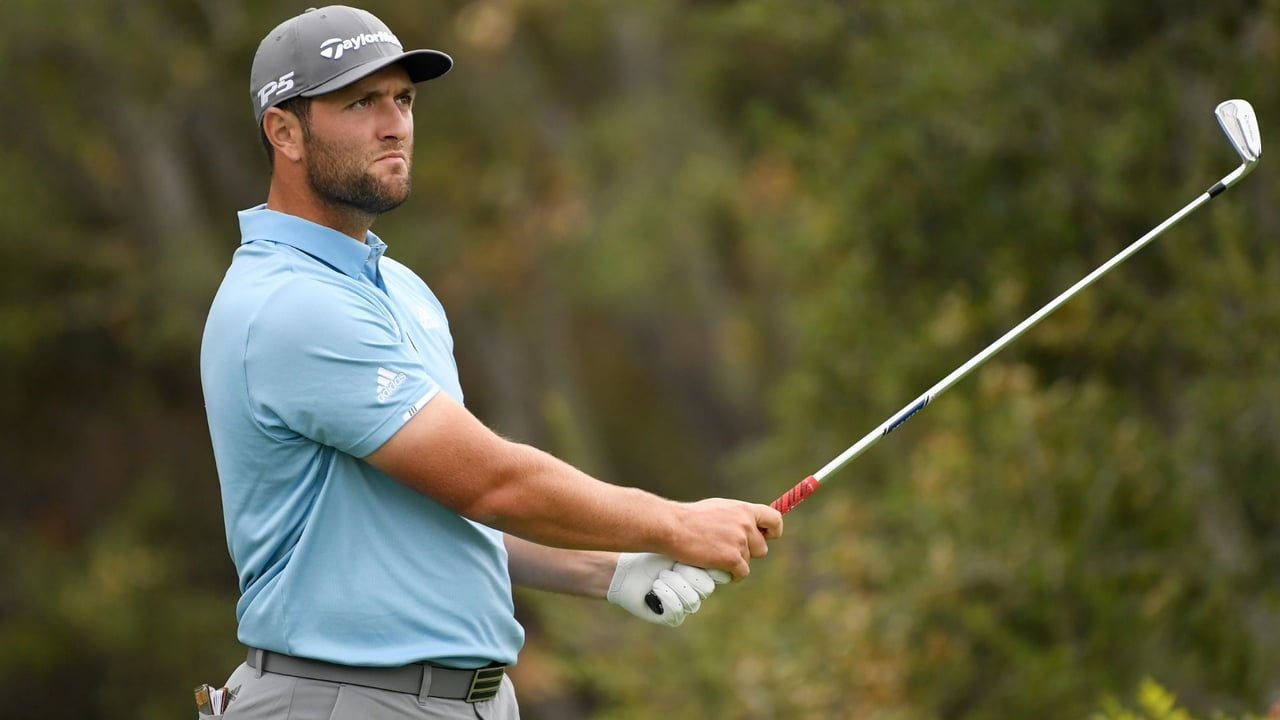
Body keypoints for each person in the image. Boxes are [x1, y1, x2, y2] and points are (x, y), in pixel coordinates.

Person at [198, 6, 783, 719]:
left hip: (467, 701)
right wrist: (674, 524)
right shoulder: (289, 304)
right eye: (360, 102)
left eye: (403, 99)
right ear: (284, 132)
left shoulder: (399, 290)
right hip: (343, 699)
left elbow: (440, 506)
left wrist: (607, 572)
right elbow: (492, 484)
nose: (394, 124)